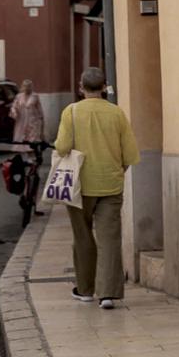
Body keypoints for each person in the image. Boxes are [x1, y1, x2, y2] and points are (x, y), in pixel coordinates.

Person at [53, 67, 139, 309]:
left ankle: (85, 289)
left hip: (78, 185)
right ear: (104, 87)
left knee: (82, 236)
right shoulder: (117, 114)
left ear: (81, 87)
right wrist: (117, 170)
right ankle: (108, 294)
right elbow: (129, 153)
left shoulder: (71, 112)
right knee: (109, 238)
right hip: (110, 184)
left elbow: (62, 146)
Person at [12, 80, 49, 216]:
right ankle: (23, 194)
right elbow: (13, 111)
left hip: (34, 132)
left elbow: (41, 115)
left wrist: (43, 134)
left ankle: (33, 200)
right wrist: (14, 112)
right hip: (21, 133)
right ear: (22, 87)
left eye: (29, 87)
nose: (27, 89)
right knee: (23, 166)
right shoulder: (18, 98)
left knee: (35, 167)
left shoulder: (35, 97)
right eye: (25, 86)